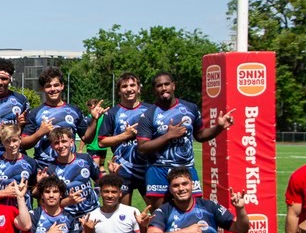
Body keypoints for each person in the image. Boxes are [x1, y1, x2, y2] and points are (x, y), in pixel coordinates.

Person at [137, 72, 234, 210]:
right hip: (159, 170)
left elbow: (200, 135)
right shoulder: (148, 114)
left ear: (173, 86)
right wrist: (168, 136)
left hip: (186, 167)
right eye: (159, 86)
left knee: (192, 213)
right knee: (161, 217)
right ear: (155, 90)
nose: (163, 88)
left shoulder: (190, 108)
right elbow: (142, 147)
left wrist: (218, 127)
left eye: (166, 84)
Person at [21, 67, 104, 168]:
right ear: (43, 88)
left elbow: (87, 139)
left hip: (70, 167)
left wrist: (94, 120)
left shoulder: (74, 110)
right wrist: (40, 132)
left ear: (62, 86)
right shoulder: (35, 113)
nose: (53, 89)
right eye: (48, 86)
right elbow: (23, 143)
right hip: (44, 167)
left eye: (56, 85)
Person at [98, 72, 151, 205]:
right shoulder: (112, 113)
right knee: (124, 217)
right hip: (122, 171)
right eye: (124, 86)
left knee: (157, 213)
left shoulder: (151, 110)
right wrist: (125, 135)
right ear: (119, 91)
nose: (129, 89)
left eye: (132, 85)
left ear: (139, 88)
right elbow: (102, 141)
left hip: (148, 169)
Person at [43, 127, 100, 223]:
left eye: (64, 141)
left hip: (93, 211)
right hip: (68, 216)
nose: (61, 146)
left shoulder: (85, 158)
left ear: (72, 142)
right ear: (52, 146)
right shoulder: (51, 170)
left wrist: (97, 193)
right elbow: (48, 204)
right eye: (56, 143)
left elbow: (100, 179)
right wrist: (67, 201)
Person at [0, 123, 38, 208]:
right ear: (2, 142)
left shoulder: (31, 163)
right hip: (2, 213)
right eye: (7, 141)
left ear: (20, 139)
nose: (12, 145)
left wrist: (40, 184)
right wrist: (3, 193)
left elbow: (34, 192)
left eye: (14, 140)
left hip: (24, 212)